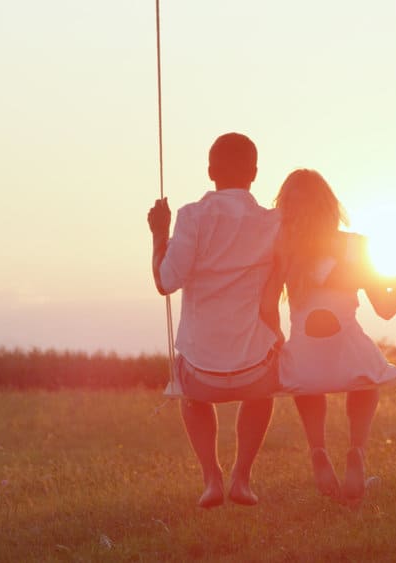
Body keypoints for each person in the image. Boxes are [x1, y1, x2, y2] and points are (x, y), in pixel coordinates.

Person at [260, 169, 396, 503]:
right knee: (365, 378)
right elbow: (385, 309)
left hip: (305, 363)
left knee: (303, 372)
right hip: (350, 356)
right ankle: (356, 452)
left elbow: (266, 306)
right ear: (330, 205)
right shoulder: (357, 246)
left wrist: (277, 341)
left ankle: (318, 451)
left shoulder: (284, 249)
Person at [148, 132, 282, 508]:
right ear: (254, 173)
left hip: (200, 374)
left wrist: (159, 234)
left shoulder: (191, 217)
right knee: (262, 391)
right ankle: (242, 476)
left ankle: (211, 477)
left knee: (189, 394)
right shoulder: (273, 222)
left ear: (210, 172)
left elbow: (166, 282)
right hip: (256, 372)